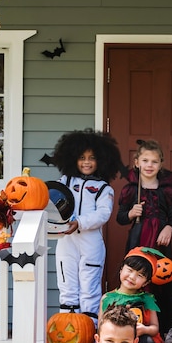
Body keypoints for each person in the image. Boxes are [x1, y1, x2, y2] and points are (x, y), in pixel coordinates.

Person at [52, 128, 122, 324]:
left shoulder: (103, 188)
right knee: (67, 284)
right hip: (67, 239)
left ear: (101, 160)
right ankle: (66, 329)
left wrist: (80, 222)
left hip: (91, 242)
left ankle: (89, 331)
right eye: (82, 157)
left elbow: (103, 213)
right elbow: (51, 199)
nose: (86, 162)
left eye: (92, 158)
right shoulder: (65, 181)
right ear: (73, 158)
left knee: (89, 287)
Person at [116, 140, 172, 335]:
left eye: (154, 161)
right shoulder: (130, 189)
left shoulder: (166, 191)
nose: (149, 165)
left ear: (161, 164)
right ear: (137, 162)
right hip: (139, 241)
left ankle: (166, 330)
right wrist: (130, 213)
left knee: (162, 280)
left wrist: (169, 228)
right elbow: (120, 217)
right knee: (137, 278)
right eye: (145, 160)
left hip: (161, 244)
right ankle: (133, 327)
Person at [100, 247, 166, 343]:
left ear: (146, 282)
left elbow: (155, 328)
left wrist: (143, 330)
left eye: (140, 275)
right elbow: (101, 327)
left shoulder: (147, 299)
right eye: (129, 270)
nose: (132, 277)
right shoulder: (108, 298)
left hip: (139, 341)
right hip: (117, 341)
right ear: (122, 268)